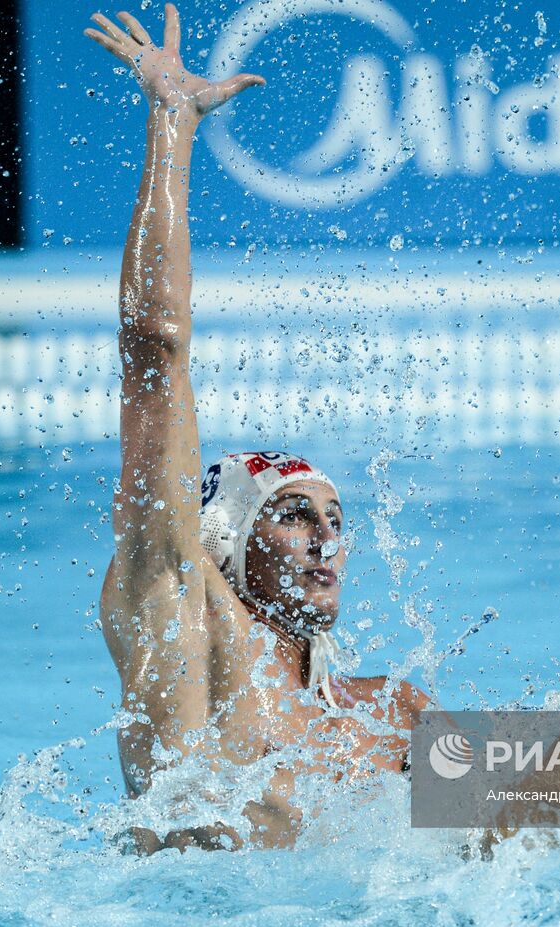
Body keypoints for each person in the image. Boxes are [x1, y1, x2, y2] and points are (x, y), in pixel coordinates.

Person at [84, 4, 429, 852]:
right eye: (295, 515)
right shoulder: (188, 632)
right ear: (228, 540)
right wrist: (173, 124)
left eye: (336, 520)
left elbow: (532, 820)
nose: (327, 541)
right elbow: (153, 355)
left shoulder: (393, 710)